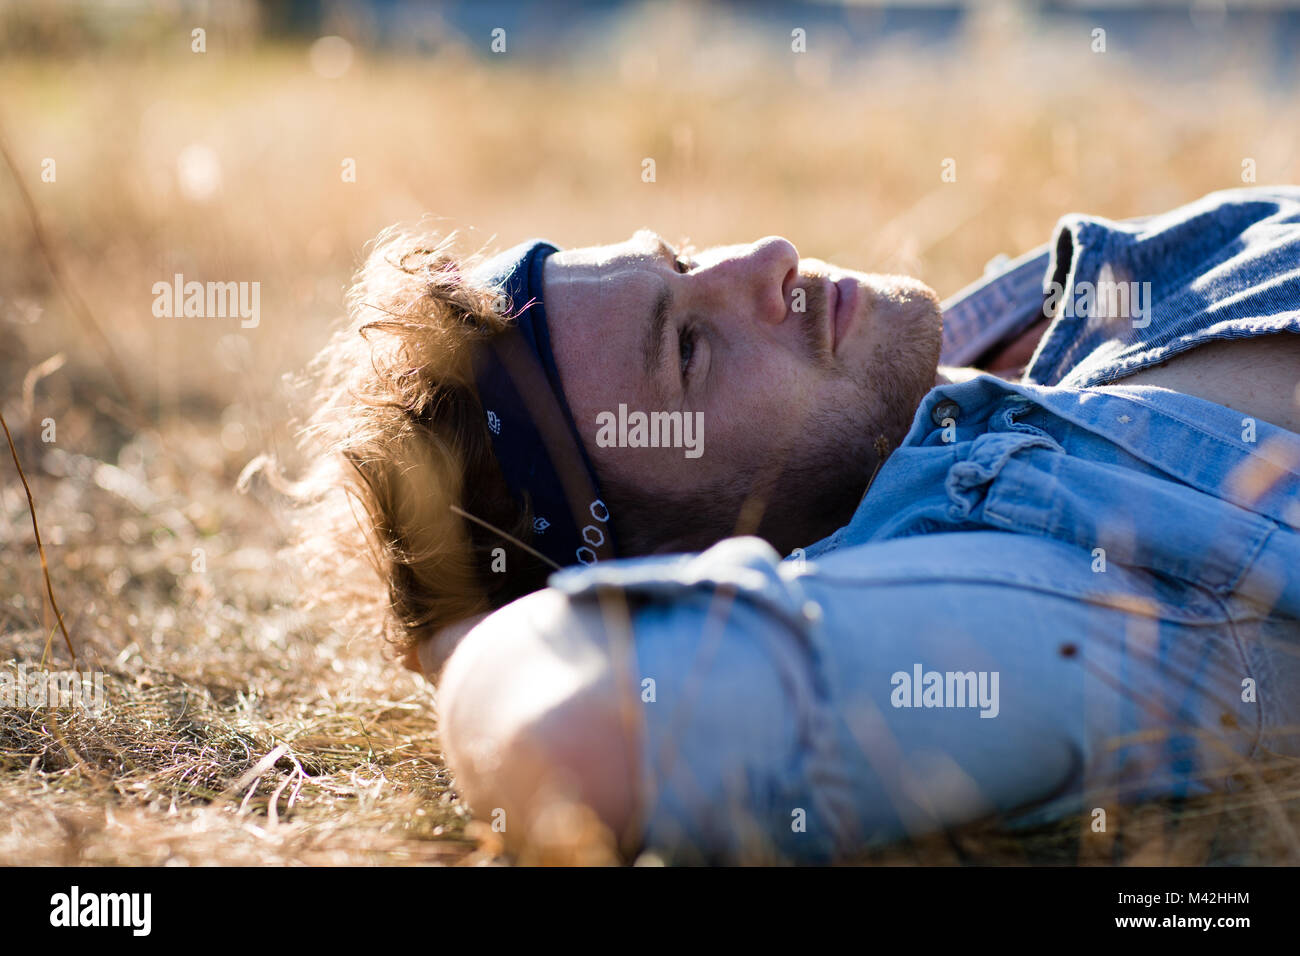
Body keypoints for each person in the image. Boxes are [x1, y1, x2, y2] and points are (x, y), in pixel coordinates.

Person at [300, 186, 1300, 862]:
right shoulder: (1040, 589)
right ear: (690, 562)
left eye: (681, 261)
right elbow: (566, 729)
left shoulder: (1028, 320)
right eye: (690, 349)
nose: (764, 259)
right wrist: (472, 641)